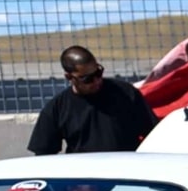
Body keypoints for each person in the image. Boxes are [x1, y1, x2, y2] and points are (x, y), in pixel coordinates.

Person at [28, 47, 159, 155]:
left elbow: (154, 134)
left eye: (98, 73)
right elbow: (44, 154)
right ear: (69, 77)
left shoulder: (125, 93)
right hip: (85, 180)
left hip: (126, 175)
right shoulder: (58, 108)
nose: (97, 81)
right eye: (87, 79)